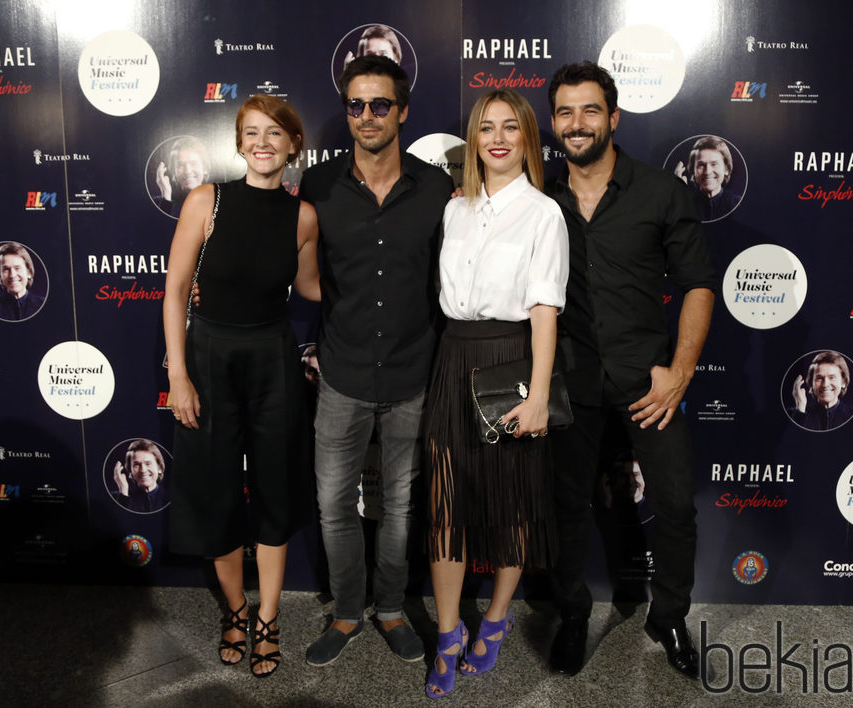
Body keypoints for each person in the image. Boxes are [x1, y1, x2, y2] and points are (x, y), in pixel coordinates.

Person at [545, 62, 716, 680]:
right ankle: (570, 614)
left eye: (590, 110)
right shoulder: (537, 196)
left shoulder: (660, 192)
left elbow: (698, 284)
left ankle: (667, 616)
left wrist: (680, 372)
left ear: (613, 117)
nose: (577, 123)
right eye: (565, 112)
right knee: (564, 507)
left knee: (675, 504)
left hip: (649, 382)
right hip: (566, 380)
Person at [299, 55, 452, 667]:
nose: (366, 116)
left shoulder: (437, 188)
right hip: (341, 373)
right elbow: (289, 266)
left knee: (399, 505)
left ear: (402, 111)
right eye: (356, 105)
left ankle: (390, 608)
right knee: (335, 503)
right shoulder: (318, 187)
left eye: (380, 104)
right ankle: (345, 611)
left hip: (416, 373)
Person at [163, 94, 319, 677]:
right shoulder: (208, 200)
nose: (262, 142)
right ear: (238, 142)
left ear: (292, 145)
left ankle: (269, 617)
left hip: (273, 358)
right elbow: (176, 290)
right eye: (251, 132)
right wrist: (179, 375)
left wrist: (389, 284)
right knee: (216, 491)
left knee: (276, 491)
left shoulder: (302, 216)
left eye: (274, 133)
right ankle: (234, 610)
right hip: (208, 358)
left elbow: (309, 288)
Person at [423, 89, 568, 698]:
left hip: (512, 358)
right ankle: (449, 632)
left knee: (510, 501)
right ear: (474, 140)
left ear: (528, 139)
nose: (498, 138)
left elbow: (544, 310)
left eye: (511, 127)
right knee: (445, 503)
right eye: (487, 127)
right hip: (453, 358)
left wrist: (537, 395)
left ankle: (498, 617)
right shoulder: (455, 209)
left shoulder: (544, 213)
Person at [674, 136, 741, 221]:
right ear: (693, 171)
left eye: (714, 164)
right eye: (701, 165)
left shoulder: (738, 204)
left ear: (726, 169)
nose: (707, 172)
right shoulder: (685, 203)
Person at [789, 350, 853, 431]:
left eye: (832, 377)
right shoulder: (793, 415)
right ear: (811, 384)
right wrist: (800, 410)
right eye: (819, 378)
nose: (825, 384)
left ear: (844, 382)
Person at [0, 242, 45, 321]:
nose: (12, 275)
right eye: (6, 269)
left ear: (29, 272)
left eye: (17, 268)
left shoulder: (42, 304)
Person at [154, 136, 211, 217]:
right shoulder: (158, 202)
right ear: (174, 172)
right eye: (180, 165)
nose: (187, 171)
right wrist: (166, 197)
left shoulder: (220, 201)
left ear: (205, 168)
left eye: (193, 164)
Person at [112, 439, 170, 513]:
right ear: (130, 471)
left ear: (160, 468)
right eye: (136, 465)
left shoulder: (172, 497)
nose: (143, 470)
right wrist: (123, 494)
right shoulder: (117, 497)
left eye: (148, 464)